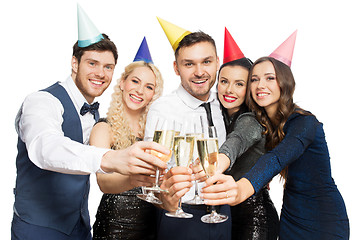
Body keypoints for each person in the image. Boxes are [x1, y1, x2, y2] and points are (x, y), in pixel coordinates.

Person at [11, 6, 168, 240]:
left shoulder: (94, 116)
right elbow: (44, 148)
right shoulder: (42, 101)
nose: (100, 73)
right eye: (92, 63)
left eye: (108, 67)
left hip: (80, 228)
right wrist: (110, 158)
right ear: (75, 63)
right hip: (38, 228)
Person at [201, 31, 350, 239]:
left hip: (323, 218)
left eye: (270, 78)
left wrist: (241, 189)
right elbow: (240, 142)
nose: (261, 85)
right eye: (254, 79)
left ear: (285, 83)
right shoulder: (263, 124)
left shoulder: (305, 123)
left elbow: (276, 158)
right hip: (291, 217)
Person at [145, 17, 231, 240]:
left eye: (206, 62)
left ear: (217, 62)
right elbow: (152, 174)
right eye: (189, 64)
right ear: (176, 68)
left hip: (223, 212)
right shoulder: (162, 109)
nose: (199, 71)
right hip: (181, 216)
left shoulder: (224, 102)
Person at [91, 37, 164, 239]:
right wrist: (135, 178)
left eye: (149, 87)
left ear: (153, 95)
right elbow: (103, 182)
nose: (140, 90)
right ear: (122, 83)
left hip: (151, 227)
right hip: (114, 228)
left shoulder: (154, 134)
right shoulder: (104, 129)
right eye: (135, 81)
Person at [215, 27, 279, 240]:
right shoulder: (218, 117)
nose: (229, 90)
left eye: (239, 84)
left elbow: (236, 142)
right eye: (224, 81)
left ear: (250, 89)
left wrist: (214, 168)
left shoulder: (250, 120)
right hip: (229, 212)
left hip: (254, 216)